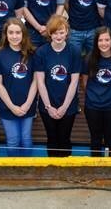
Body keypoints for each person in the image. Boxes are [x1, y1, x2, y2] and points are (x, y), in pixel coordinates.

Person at [35, 15, 81, 157]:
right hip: (48, 105)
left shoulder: (74, 51)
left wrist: (65, 106)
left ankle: (66, 176)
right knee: (52, 139)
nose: (58, 36)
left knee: (64, 138)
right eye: (55, 32)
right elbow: (40, 82)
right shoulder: (41, 52)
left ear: (67, 32)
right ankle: (53, 173)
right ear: (50, 33)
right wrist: (49, 107)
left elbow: (74, 82)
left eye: (61, 32)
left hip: (68, 105)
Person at [0, 18, 38, 157]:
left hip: (27, 105)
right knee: (13, 140)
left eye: (18, 32)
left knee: (26, 139)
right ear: (6, 34)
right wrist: (12, 106)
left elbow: (36, 81)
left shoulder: (31, 54)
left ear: (23, 34)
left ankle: (27, 170)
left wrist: (28, 104)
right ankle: (13, 170)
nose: (14, 36)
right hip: (7, 106)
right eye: (11, 32)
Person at [81, 26, 111, 157]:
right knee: (95, 139)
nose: (104, 43)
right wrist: (93, 95)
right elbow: (84, 81)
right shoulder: (89, 59)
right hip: (92, 106)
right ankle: (95, 169)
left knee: (110, 139)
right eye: (100, 40)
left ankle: (109, 168)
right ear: (96, 42)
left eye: (107, 40)